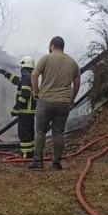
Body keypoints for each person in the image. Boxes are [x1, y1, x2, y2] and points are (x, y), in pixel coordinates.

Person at [29, 36, 80, 170]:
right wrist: (71, 99)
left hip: (45, 101)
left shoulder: (46, 58)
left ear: (52, 46)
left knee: (40, 131)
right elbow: (77, 82)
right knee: (58, 132)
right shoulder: (72, 62)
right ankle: (56, 163)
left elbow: (34, 75)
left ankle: (38, 162)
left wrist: (36, 92)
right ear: (63, 47)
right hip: (63, 103)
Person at [0, 56, 36, 158]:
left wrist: (16, 107)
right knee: (28, 133)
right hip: (28, 111)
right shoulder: (28, 77)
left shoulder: (26, 78)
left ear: (24, 66)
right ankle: (29, 152)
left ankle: (26, 154)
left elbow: (25, 94)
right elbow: (16, 81)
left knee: (24, 133)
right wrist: (5, 73)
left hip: (25, 111)